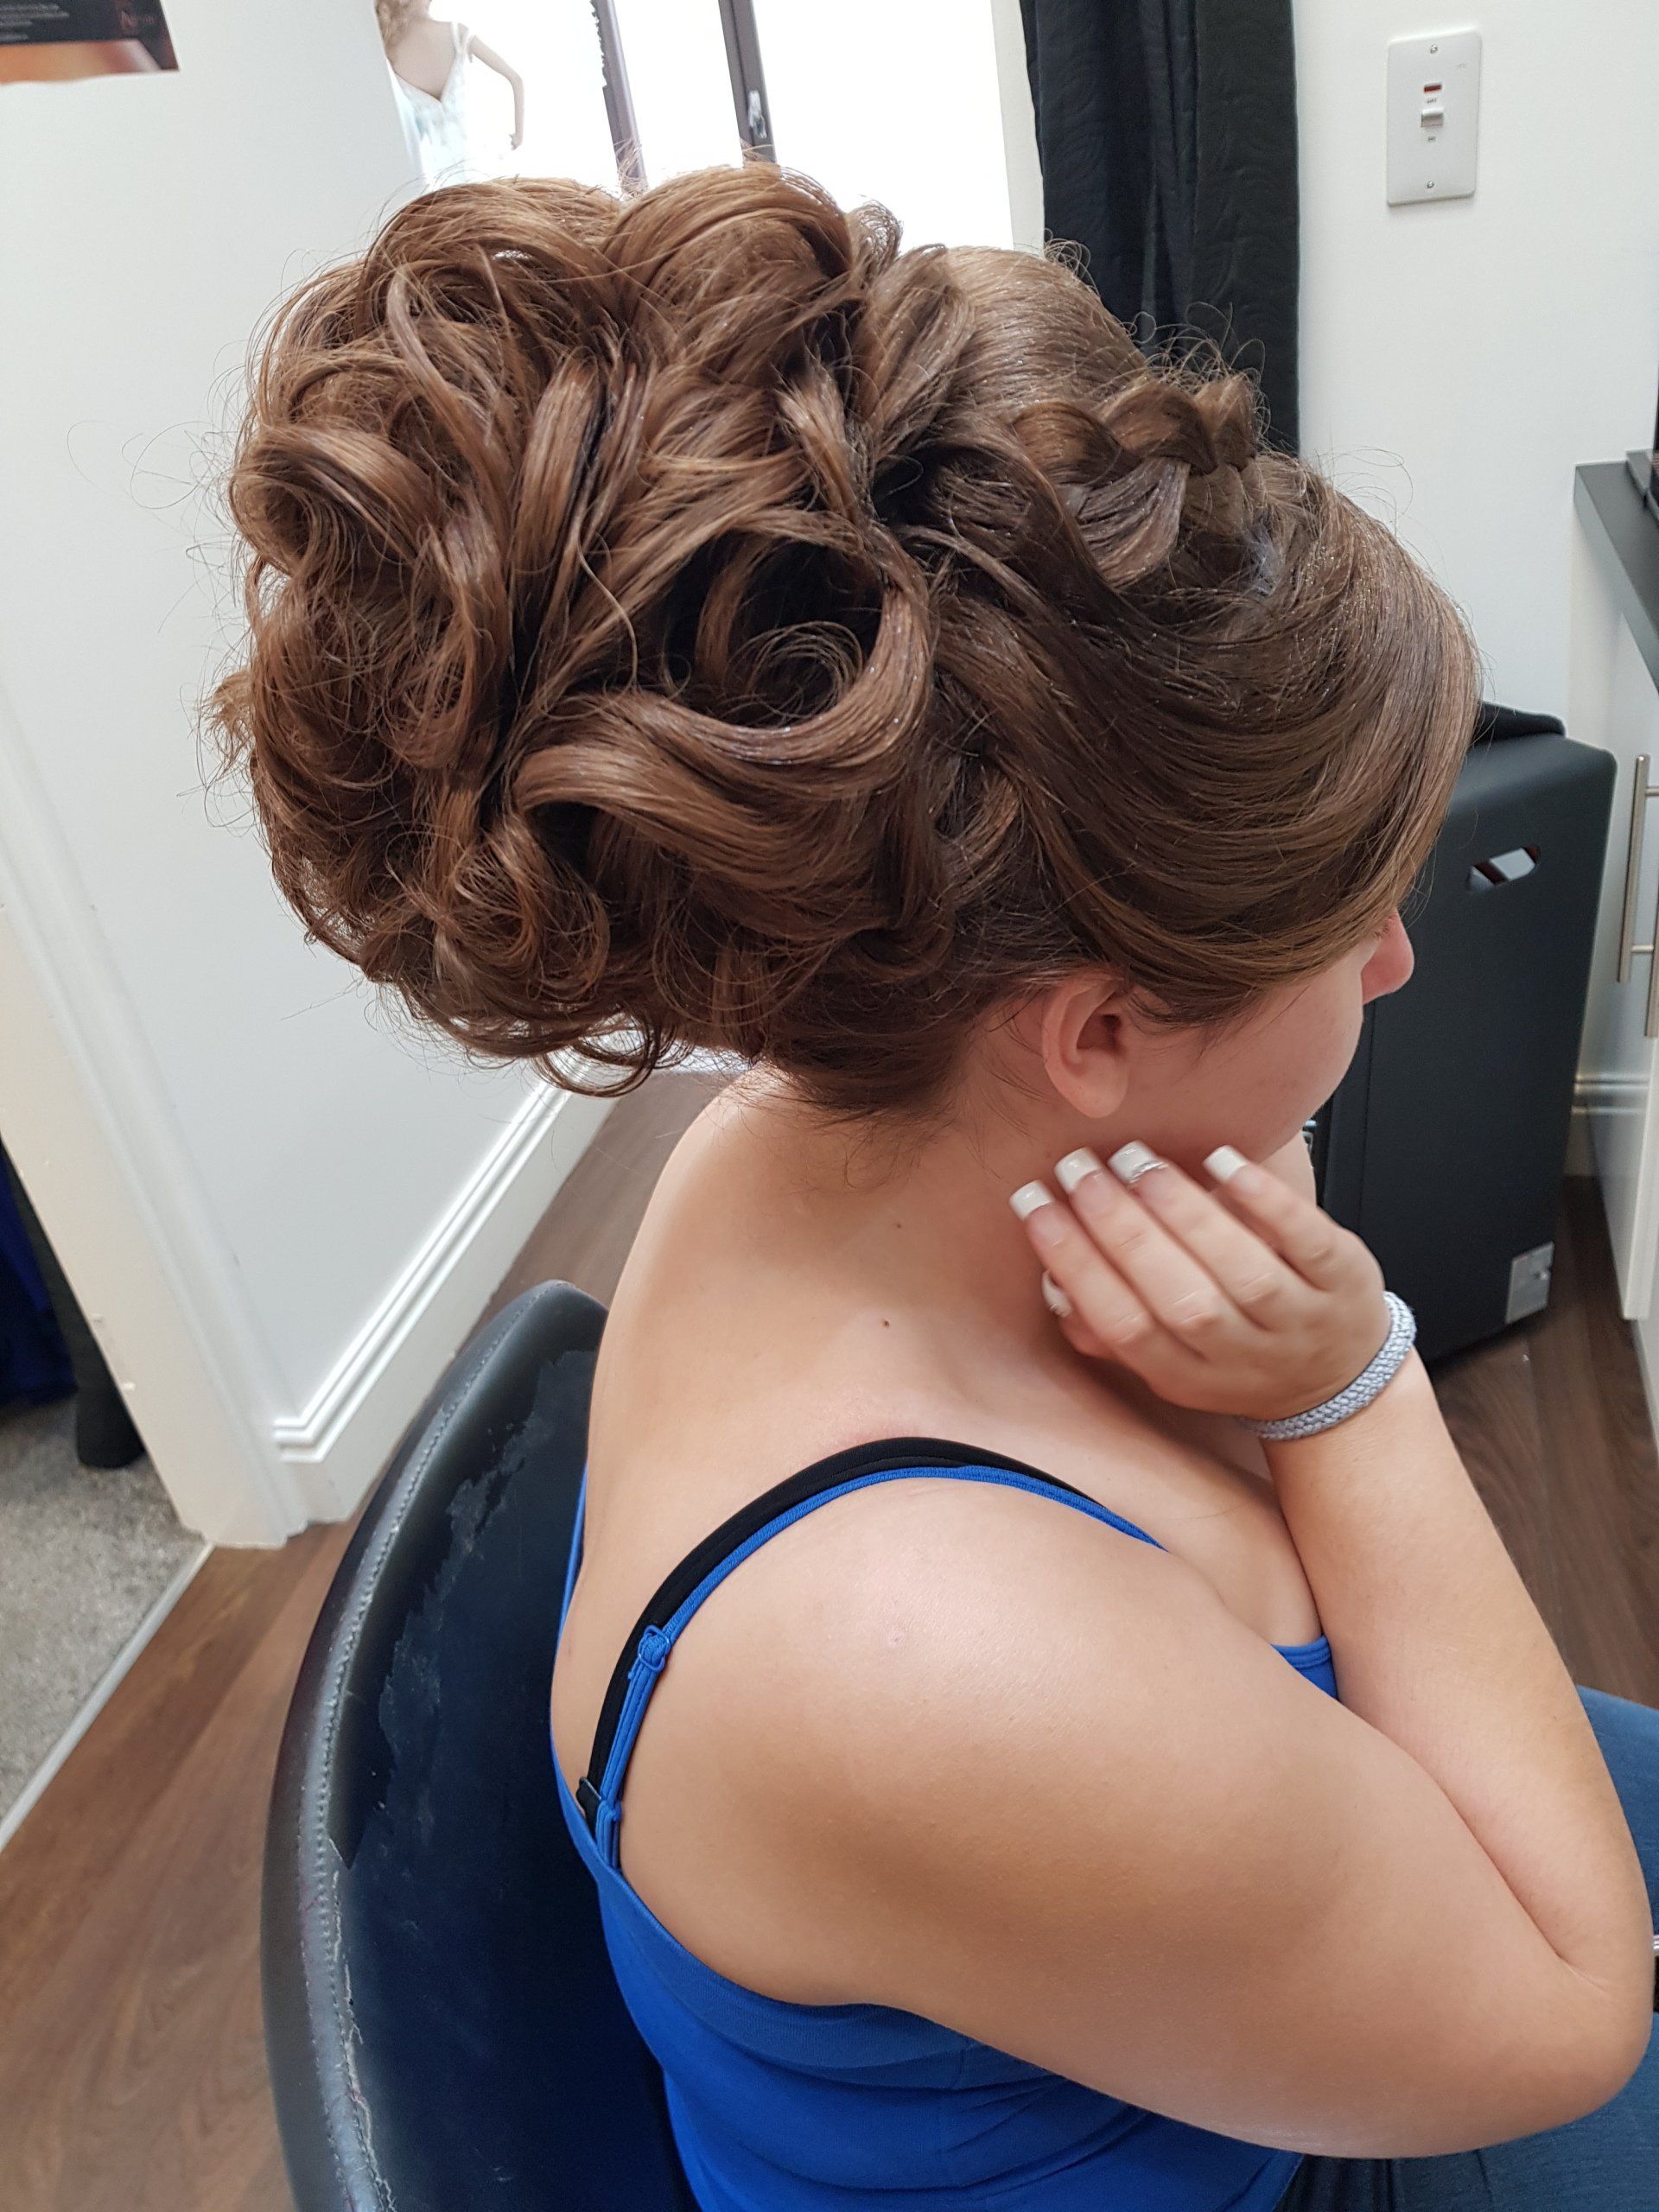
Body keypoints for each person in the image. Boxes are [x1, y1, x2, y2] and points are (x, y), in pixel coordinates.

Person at [213, 164, 1658, 2209]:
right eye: (1352, 917)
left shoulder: (806, 1137)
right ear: (1097, 1029)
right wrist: (1355, 1385)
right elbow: (1574, 2009)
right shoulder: (934, 1659)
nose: (1398, 961)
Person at [374, 0, 523, 188]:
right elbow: (516, 79)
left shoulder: (389, 51)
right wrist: (519, 135)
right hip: (472, 167)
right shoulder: (456, 33)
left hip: (438, 175)